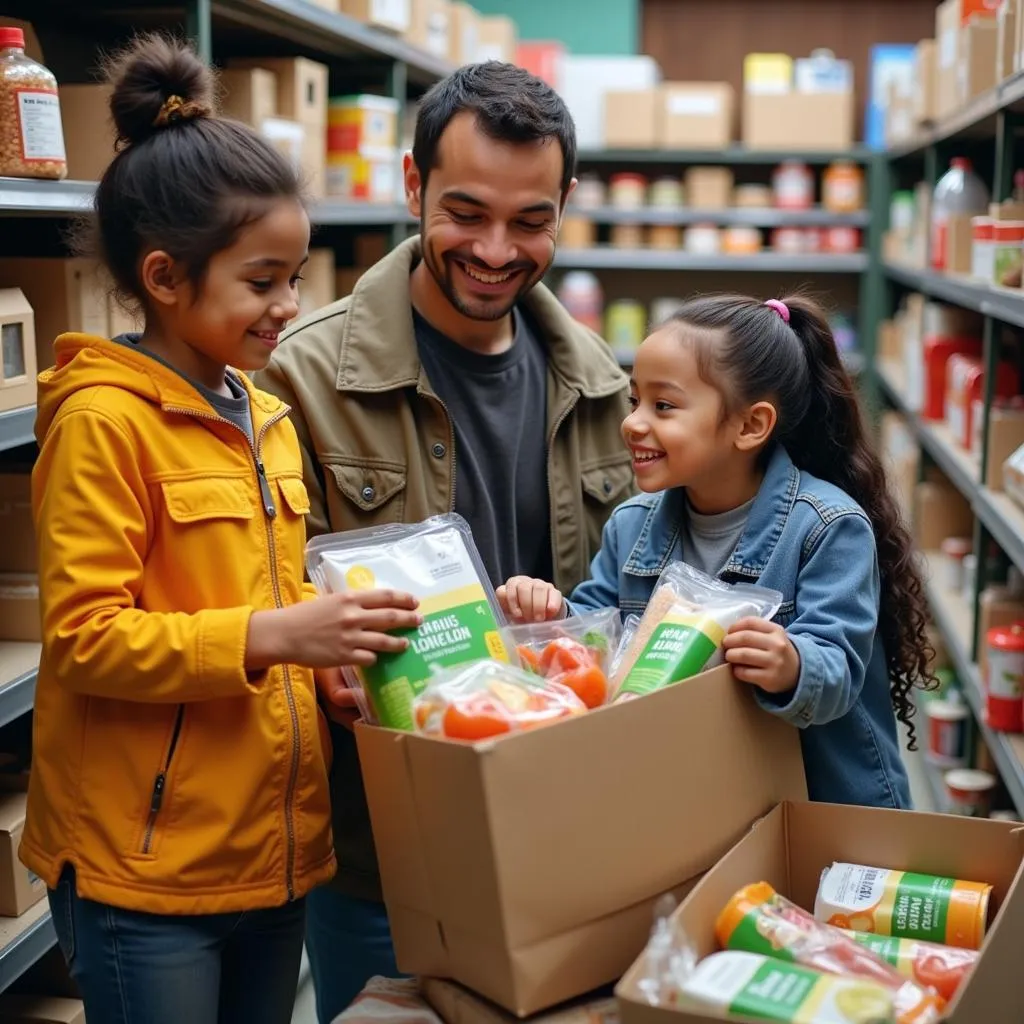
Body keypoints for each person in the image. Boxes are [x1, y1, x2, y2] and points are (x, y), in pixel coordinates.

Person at [22, 35, 422, 1024]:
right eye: (263, 280)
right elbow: (84, 637)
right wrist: (274, 635)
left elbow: (257, 594)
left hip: (271, 848)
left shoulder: (264, 414)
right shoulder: (101, 421)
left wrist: (323, 655)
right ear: (164, 277)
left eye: (293, 276)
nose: (290, 305)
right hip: (143, 865)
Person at [255, 61, 632, 1021]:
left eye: (531, 220)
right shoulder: (303, 378)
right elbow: (254, 602)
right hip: (390, 854)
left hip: (573, 833)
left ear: (566, 207)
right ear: (413, 186)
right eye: (465, 212)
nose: (498, 250)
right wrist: (318, 662)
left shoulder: (606, 391)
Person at [500, 294, 936, 810]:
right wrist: (552, 614)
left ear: (750, 425)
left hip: (823, 806)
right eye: (634, 400)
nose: (634, 423)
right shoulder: (631, 525)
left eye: (663, 406)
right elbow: (599, 635)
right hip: (704, 797)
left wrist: (792, 662)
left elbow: (838, 668)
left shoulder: (827, 528)